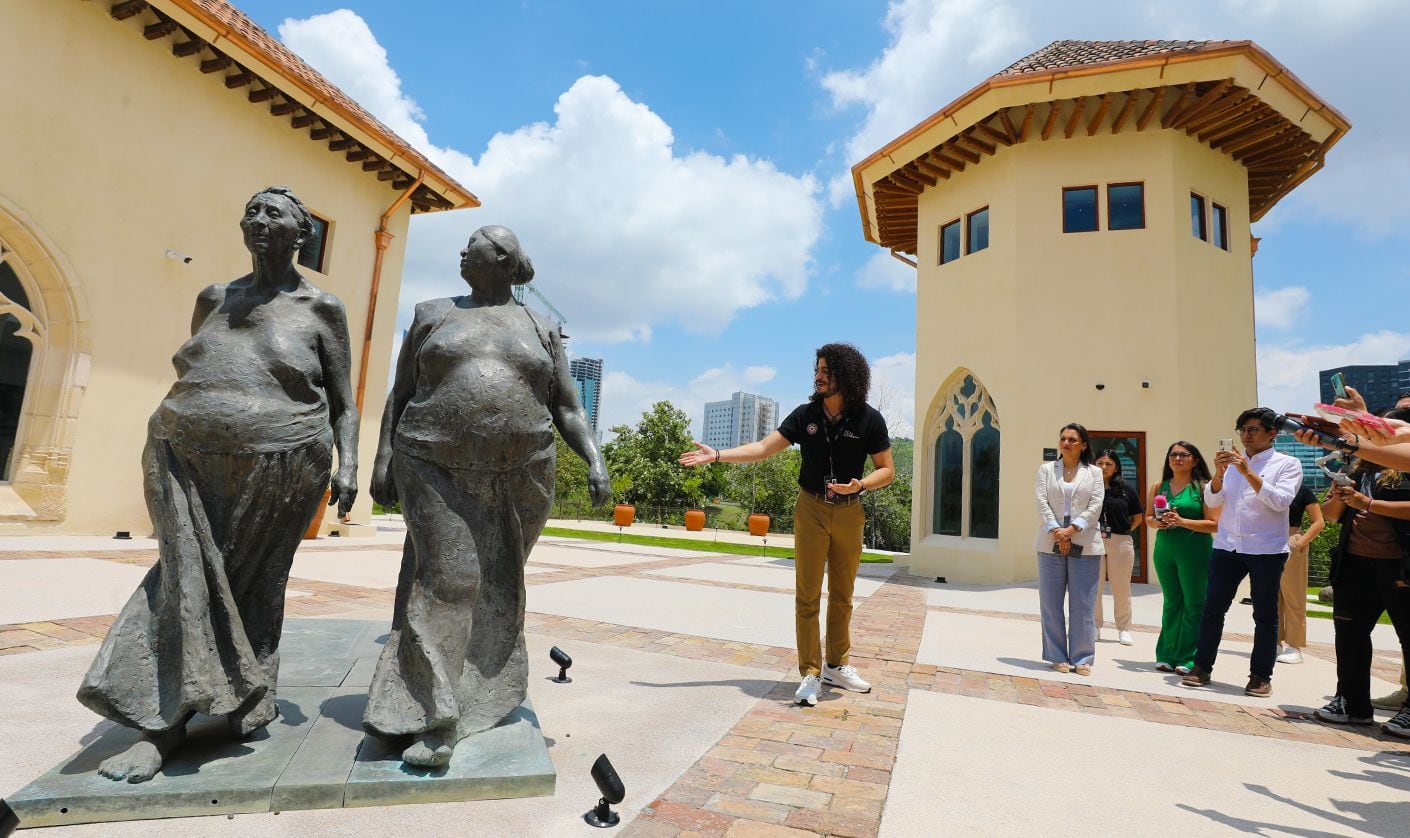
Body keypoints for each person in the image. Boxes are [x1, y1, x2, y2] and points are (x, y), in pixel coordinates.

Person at [77, 186, 359, 783]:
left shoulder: (321, 308)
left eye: (273, 213)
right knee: (186, 579)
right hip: (185, 453)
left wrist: (350, 465)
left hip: (286, 462)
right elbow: (197, 369)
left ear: (300, 232)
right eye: (251, 211)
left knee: (253, 583)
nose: (259, 220)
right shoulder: (214, 297)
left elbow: (343, 401)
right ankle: (164, 726)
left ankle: (247, 699)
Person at [366, 225, 610, 767]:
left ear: (501, 257)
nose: (461, 249)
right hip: (432, 463)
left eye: (472, 243)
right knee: (451, 579)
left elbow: (567, 407)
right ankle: (434, 716)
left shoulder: (541, 328)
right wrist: (383, 455)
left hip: (521, 473)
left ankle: (478, 696)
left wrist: (595, 460)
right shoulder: (433, 313)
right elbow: (400, 392)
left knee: (496, 585)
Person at [680, 344, 893, 706]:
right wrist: (715, 455)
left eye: (826, 370)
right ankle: (811, 673)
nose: (818, 375)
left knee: (843, 596)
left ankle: (837, 665)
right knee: (807, 595)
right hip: (810, 508)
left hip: (849, 511)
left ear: (847, 375)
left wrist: (860, 485)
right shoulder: (805, 415)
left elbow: (886, 470)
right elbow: (763, 449)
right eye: (818, 369)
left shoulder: (869, 420)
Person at [1296, 387, 1410, 707]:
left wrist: (1368, 503)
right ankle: (1350, 702)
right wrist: (1341, 495)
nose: (1396, 423)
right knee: (1350, 635)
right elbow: (1332, 515)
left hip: (1398, 560)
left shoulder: (1399, 465)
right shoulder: (1358, 464)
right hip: (1356, 559)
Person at [1181, 408, 1303, 697]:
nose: (1246, 436)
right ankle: (1201, 667)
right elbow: (1212, 499)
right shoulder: (1231, 465)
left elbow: (1280, 502)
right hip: (1227, 546)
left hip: (1265, 549)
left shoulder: (1288, 464)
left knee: (1264, 615)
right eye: (1242, 430)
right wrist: (1220, 474)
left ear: (1271, 433)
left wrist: (1247, 472)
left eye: (1252, 430)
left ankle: (1260, 676)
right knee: (1212, 609)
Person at [1034, 423, 1105, 675]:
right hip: (1050, 539)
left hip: (1083, 541)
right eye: (1063, 438)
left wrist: (1072, 530)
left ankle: (1083, 657)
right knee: (1051, 602)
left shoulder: (1094, 473)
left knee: (1083, 603)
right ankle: (1056, 655)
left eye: (1072, 439)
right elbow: (1041, 502)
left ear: (1083, 444)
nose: (1066, 443)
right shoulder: (1046, 470)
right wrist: (1057, 530)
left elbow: (1095, 506)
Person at [1147, 441, 1219, 674]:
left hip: (1194, 551)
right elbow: (1148, 518)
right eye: (1173, 454)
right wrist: (1157, 522)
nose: (1177, 458)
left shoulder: (1203, 488)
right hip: (1165, 549)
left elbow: (1214, 525)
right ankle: (1166, 654)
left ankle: (1188, 657)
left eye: (1183, 455)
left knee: (1194, 603)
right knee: (1172, 601)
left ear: (1195, 460)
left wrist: (1182, 521)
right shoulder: (1159, 486)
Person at [1094, 451, 1142, 645]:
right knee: (1093, 588)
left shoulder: (1126, 490)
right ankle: (1094, 626)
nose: (1104, 467)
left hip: (1120, 542)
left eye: (1109, 464)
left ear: (1116, 467)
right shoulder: (1089, 488)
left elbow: (1138, 516)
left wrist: (1123, 532)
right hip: (1094, 541)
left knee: (1121, 588)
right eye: (1100, 463)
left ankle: (1124, 629)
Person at [1275, 483, 1324, 664]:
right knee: (1269, 597)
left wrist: (1300, 542)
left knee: (1293, 597)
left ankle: (1294, 646)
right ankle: (1275, 643)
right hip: (1266, 540)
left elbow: (1319, 521)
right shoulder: (1264, 487)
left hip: (1291, 539)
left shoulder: (1301, 490)